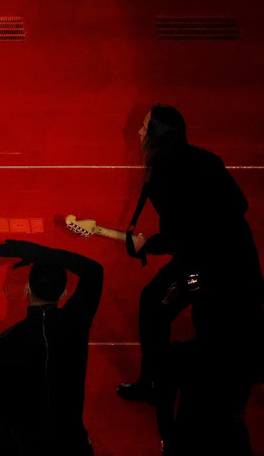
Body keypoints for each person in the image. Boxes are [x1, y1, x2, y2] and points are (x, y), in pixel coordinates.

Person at [116, 104, 263, 454]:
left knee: (198, 322)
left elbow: (177, 236)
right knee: (156, 303)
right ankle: (158, 381)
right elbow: (238, 205)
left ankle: (168, 387)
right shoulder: (206, 160)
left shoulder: (164, 177)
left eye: (144, 127)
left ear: (158, 137)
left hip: (209, 268)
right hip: (230, 257)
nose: (138, 132)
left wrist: (147, 245)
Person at [0, 240, 103, 456]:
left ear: (27, 289)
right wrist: (40, 252)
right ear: (64, 293)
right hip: (71, 444)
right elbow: (94, 271)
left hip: (22, 446)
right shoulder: (75, 325)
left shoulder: (6, 342)